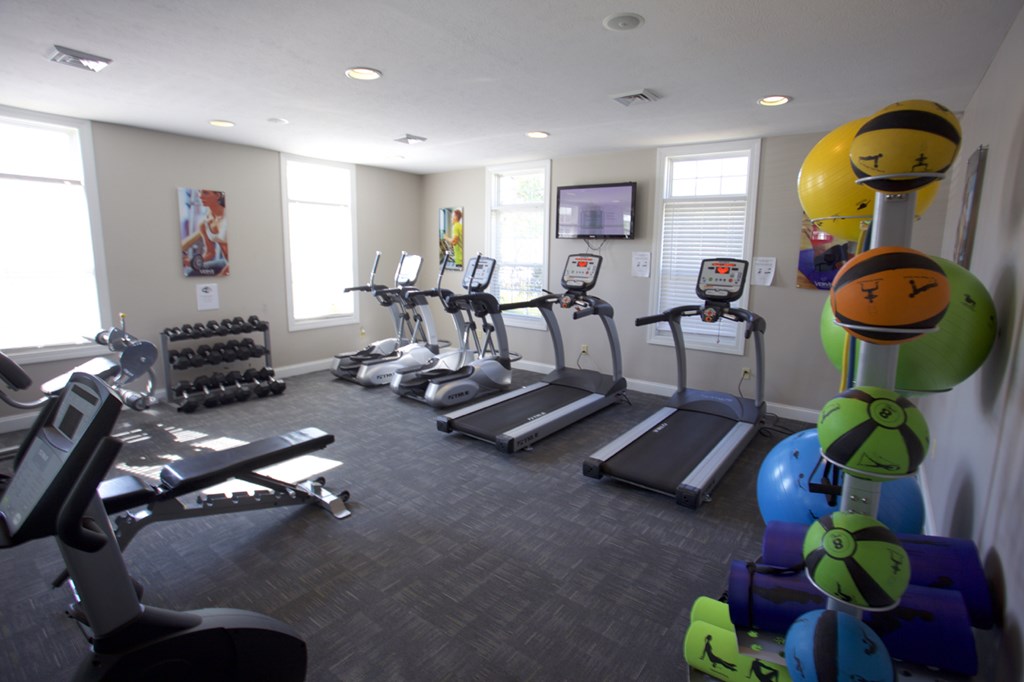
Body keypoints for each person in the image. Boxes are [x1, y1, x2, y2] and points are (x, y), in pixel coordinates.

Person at [181, 189, 229, 276]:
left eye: (205, 193)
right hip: (225, 262)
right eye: (199, 192)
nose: (200, 195)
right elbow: (210, 253)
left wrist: (222, 274)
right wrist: (193, 262)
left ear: (217, 196)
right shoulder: (204, 223)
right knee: (189, 273)